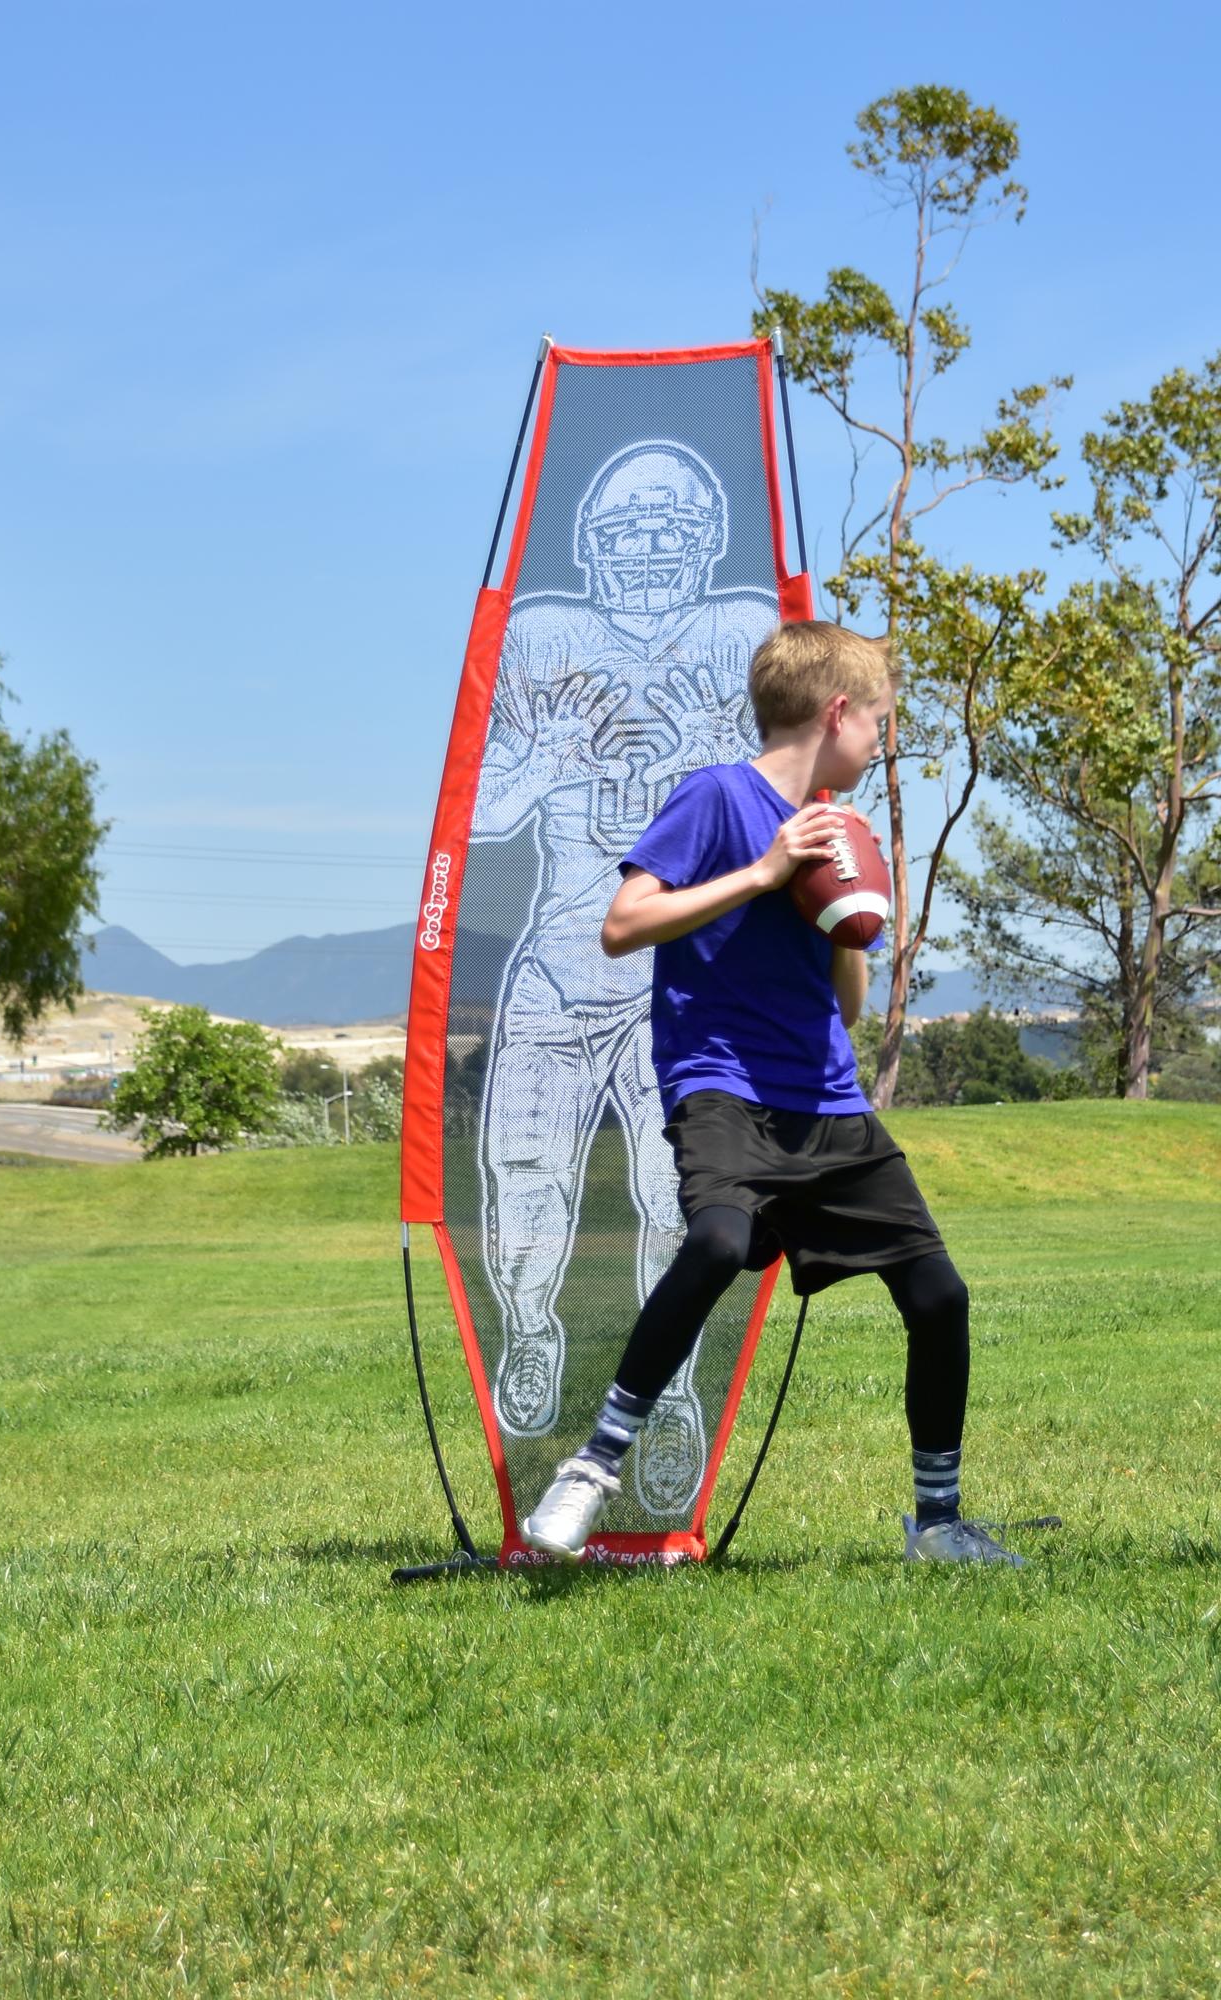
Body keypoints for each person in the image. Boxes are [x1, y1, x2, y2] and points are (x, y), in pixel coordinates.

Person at [520, 619, 1023, 1565]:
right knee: (716, 1239)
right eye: (877, 723)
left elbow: (843, 998)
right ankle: (592, 1466)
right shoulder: (716, 798)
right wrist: (765, 873)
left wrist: (851, 912)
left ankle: (941, 1522)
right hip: (722, 1086)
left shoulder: (842, 825)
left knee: (940, 1294)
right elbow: (623, 926)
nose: (879, 741)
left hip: (827, 1098)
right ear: (837, 713)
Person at [471, 440, 770, 1516]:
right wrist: (543, 762)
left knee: (679, 1209)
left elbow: (782, 801)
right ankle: (532, 1326)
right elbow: (481, 814)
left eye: (669, 531)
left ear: (706, 545)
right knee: (522, 1183)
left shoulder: (743, 636)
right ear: (589, 551)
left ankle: (673, 1392)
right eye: (625, 533)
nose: (647, 552)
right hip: (559, 958)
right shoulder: (539, 637)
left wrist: (719, 758)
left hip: (681, 990)